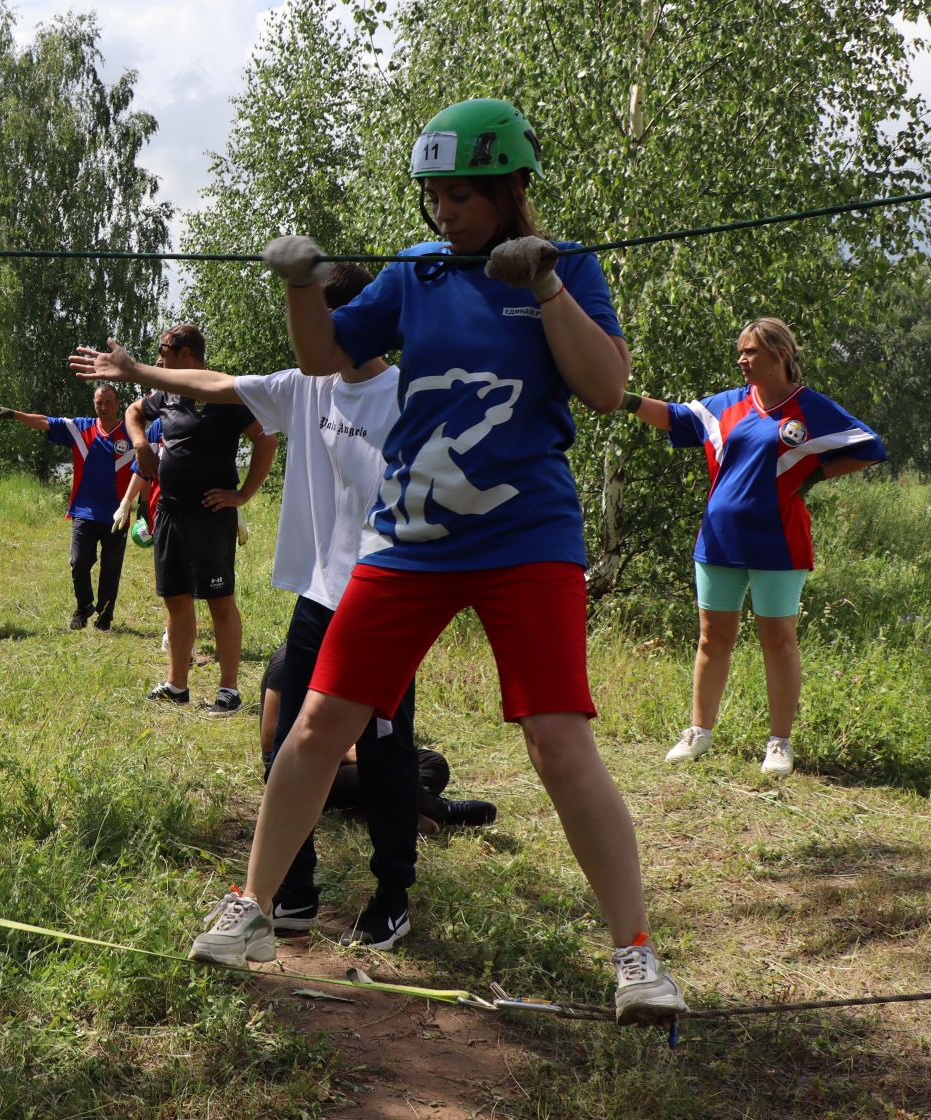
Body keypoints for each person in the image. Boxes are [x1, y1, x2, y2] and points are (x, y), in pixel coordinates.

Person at [188, 98, 686, 1027]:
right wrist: (302, 286)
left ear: (509, 189)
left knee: (557, 741)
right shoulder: (417, 275)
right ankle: (252, 910)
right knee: (317, 723)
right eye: (432, 196)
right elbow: (328, 355)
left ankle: (638, 958)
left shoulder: (567, 266)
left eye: (461, 195)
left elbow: (609, 388)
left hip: (525, 537)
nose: (443, 212)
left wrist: (543, 288)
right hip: (409, 536)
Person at [75, 264, 425, 946]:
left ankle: (392, 894)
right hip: (319, 598)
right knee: (282, 739)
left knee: (385, 751)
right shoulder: (303, 387)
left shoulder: (405, 395)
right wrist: (137, 370)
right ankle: (291, 893)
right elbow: (212, 384)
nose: (300, 336)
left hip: (386, 597)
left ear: (349, 322)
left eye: (311, 319)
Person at [623, 318, 886, 776]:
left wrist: (814, 475)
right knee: (712, 639)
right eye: (741, 352)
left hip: (779, 546)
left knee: (778, 643)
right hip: (719, 542)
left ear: (780, 354)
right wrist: (621, 399)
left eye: (751, 352)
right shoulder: (724, 406)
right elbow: (673, 416)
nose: (742, 360)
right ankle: (699, 733)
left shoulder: (808, 409)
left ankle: (779, 743)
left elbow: (868, 447)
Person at [123, 324, 278, 715]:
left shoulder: (224, 393)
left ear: (186, 353)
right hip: (171, 511)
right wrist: (141, 445)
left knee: (219, 600)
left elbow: (267, 439)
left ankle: (229, 690)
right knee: (175, 599)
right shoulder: (169, 392)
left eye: (164, 350)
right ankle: (178, 684)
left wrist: (242, 494)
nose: (158, 359)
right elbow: (133, 411)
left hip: (212, 515)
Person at [257, 645, 498, 835]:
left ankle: (372, 810)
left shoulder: (345, 655)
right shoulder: (290, 659)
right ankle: (442, 810)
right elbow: (270, 740)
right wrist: (347, 753)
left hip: (346, 753)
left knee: (433, 763)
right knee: (385, 774)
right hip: (301, 766)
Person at [0, 384, 137, 631]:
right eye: (99, 402)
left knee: (111, 568)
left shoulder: (131, 435)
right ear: (94, 403)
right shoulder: (80, 428)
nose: (103, 407)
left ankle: (105, 616)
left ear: (117, 404)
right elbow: (47, 422)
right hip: (84, 510)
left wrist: (141, 506)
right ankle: (84, 606)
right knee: (78, 562)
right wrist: (15, 414)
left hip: (117, 514)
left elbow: (144, 467)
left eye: (108, 402)